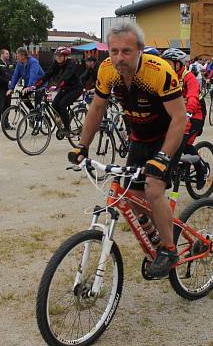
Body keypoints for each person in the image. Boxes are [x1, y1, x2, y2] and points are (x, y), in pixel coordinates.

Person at [69, 21, 185, 278]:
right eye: (114, 51)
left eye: (126, 51)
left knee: (153, 188)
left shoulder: (159, 71)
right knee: (131, 197)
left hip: (167, 137)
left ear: (140, 50)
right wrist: (82, 146)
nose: (119, 57)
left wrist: (163, 157)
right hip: (139, 138)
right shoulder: (107, 70)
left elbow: (180, 118)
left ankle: (168, 249)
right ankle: (160, 232)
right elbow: (97, 108)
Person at [161, 48, 207, 187]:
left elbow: (193, 97)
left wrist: (188, 113)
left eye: (169, 64)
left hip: (196, 113)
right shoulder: (167, 76)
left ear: (178, 64)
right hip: (178, 113)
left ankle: (201, 169)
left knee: (182, 141)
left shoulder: (189, 77)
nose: (166, 67)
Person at [37, 47, 83, 135]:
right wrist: (35, 85)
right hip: (65, 88)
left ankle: (67, 128)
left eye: (60, 56)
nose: (58, 58)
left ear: (66, 57)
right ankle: (62, 119)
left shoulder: (71, 64)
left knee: (62, 104)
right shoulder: (56, 64)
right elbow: (47, 75)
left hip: (76, 88)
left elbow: (66, 77)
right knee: (54, 104)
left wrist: (56, 86)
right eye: (57, 56)